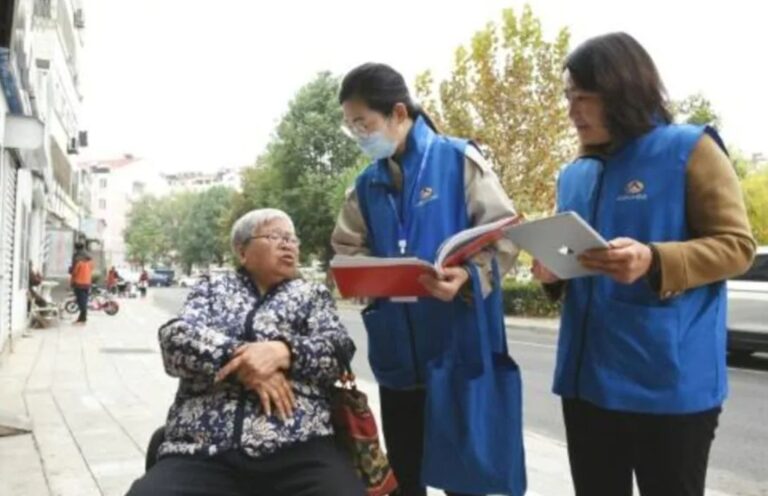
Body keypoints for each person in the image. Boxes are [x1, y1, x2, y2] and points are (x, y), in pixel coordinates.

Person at [531, 32, 757, 496]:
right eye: (569, 97)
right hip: (587, 383)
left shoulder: (690, 150)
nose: (572, 111)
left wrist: (654, 259)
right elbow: (576, 261)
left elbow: (737, 246)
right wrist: (553, 273)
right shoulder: (574, 174)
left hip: (669, 385)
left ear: (623, 91)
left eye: (584, 97)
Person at [332, 63, 519, 496]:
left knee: (465, 480)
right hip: (397, 355)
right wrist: (365, 278)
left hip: (456, 349)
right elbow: (345, 249)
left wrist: (468, 276)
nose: (359, 135)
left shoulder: (458, 161)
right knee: (405, 474)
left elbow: (505, 236)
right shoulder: (365, 185)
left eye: (364, 123)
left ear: (398, 113)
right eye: (350, 126)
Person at [127, 208, 364, 496]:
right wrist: (243, 360)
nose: (288, 245)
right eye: (275, 236)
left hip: (299, 444)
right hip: (204, 446)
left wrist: (283, 351)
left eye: (292, 239)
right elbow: (175, 340)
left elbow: (338, 349)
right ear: (242, 251)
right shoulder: (212, 288)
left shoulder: (312, 296)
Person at [69, 244, 93, 325]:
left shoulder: (78, 261)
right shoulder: (90, 261)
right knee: (84, 300)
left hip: (79, 283)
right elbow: (91, 269)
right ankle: (82, 318)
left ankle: (82, 318)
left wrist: (71, 270)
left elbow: (74, 272)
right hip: (87, 283)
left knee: (81, 301)